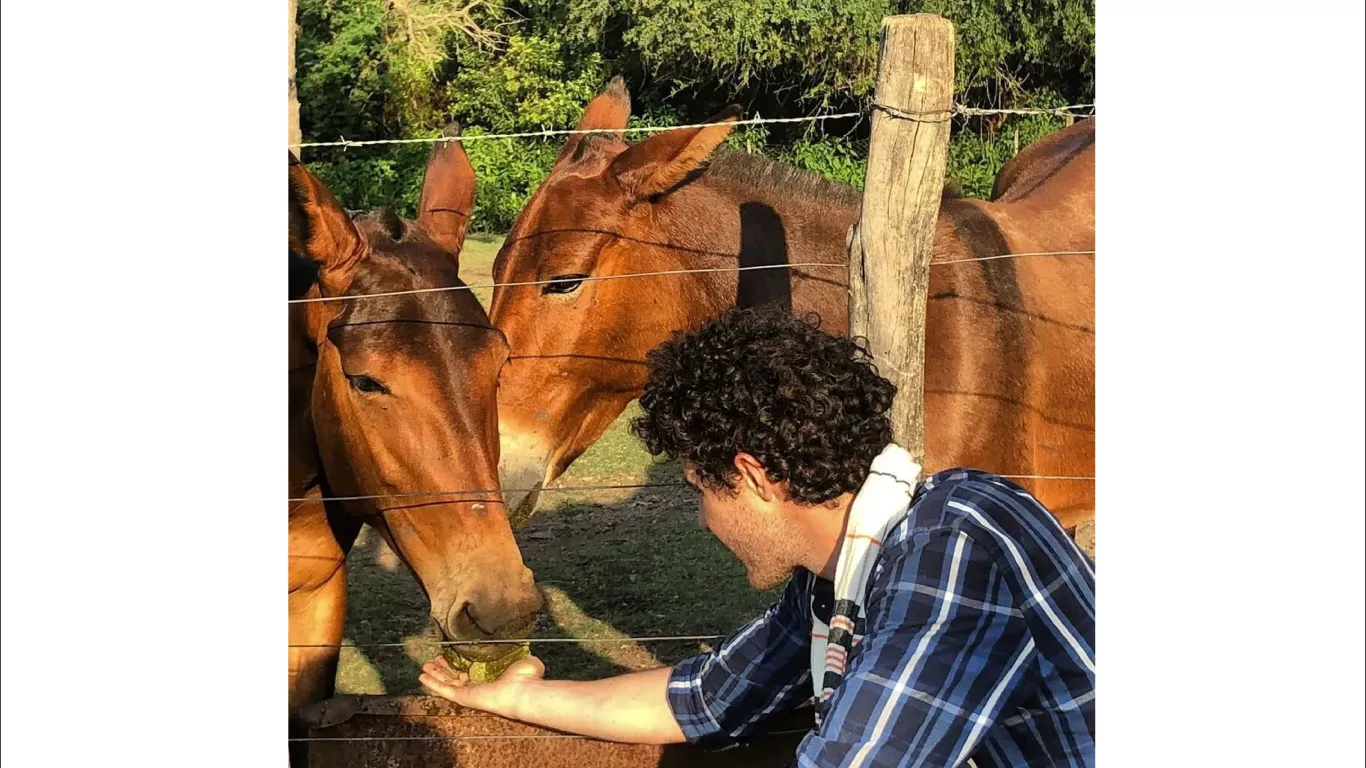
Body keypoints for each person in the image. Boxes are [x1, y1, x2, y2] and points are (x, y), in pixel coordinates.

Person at [421, 307, 1096, 767]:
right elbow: (706, 697)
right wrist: (520, 698)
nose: (701, 522)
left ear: (754, 477)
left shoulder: (956, 549)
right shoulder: (840, 575)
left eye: (699, 491)